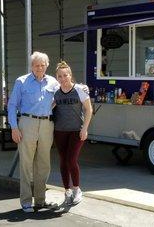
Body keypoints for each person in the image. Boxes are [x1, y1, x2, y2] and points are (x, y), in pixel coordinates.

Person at [8, 51, 59, 213]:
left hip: (46, 124)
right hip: (27, 123)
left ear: (47, 65)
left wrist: (81, 88)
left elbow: (65, 93)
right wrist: (14, 127)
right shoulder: (21, 81)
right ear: (31, 66)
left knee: (44, 164)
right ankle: (25, 201)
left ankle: (40, 200)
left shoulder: (53, 82)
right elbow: (11, 105)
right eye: (36, 65)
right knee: (26, 164)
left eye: (42, 65)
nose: (39, 68)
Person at [53, 61, 93, 206]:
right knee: (63, 161)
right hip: (59, 131)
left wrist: (85, 128)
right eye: (60, 76)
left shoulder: (80, 90)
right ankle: (67, 191)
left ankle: (77, 189)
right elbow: (47, 107)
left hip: (76, 131)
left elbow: (89, 110)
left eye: (65, 75)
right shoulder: (55, 93)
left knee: (71, 160)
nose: (63, 78)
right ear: (57, 78)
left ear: (70, 75)